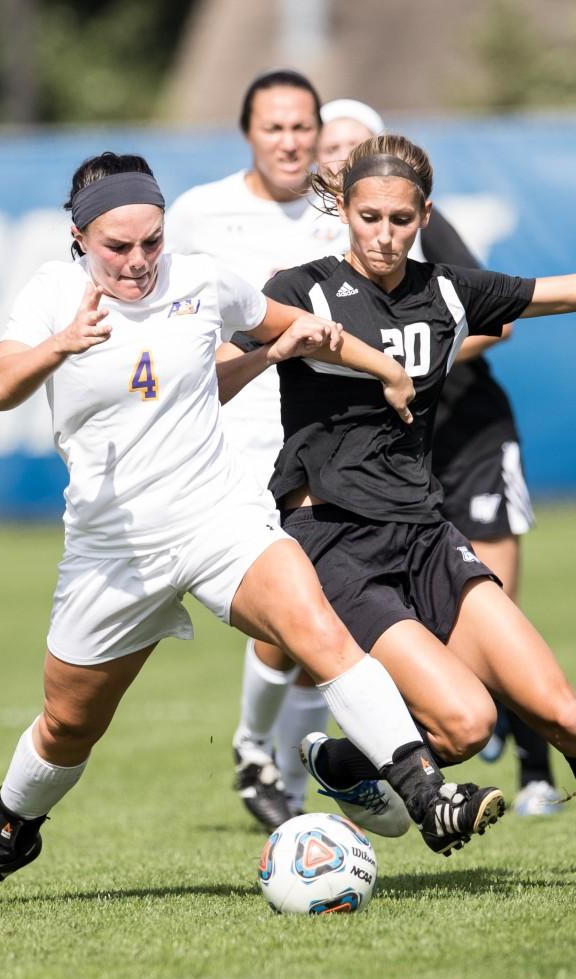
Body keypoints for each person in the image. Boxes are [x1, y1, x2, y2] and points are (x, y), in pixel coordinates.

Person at [0, 151, 505, 905]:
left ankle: (427, 796)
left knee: (317, 628)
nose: (138, 261)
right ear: (79, 237)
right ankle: (5, 839)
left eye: (151, 242)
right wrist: (59, 345)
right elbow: (4, 386)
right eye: (117, 246)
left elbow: (299, 326)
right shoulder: (50, 295)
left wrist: (380, 369)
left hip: (216, 517)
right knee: (68, 726)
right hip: (113, 553)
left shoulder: (202, 280)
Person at [236, 131, 576, 888]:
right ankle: (354, 759)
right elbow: (217, 364)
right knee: (468, 723)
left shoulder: (449, 291)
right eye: (368, 216)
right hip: (335, 543)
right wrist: (275, 347)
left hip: (426, 534)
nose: (383, 235)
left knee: (565, 713)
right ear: (344, 211)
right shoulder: (301, 289)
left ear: (424, 214)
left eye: (400, 218)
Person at [318, 98, 564, 818]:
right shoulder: (313, 252)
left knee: (494, 613)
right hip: (389, 466)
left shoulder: (416, 224)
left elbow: (500, 320)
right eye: (328, 143)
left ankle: (536, 770)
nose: (340, 152)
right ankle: (393, 752)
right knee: (411, 629)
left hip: (468, 438)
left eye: (354, 141)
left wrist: (420, 361)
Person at [164, 70, 345, 831]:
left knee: (316, 618)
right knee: (290, 614)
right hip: (232, 447)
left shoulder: (340, 213)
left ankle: (281, 783)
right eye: (275, 127)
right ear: (249, 132)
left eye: (303, 126)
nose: (290, 141)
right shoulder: (203, 212)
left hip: (319, 442)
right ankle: (254, 748)